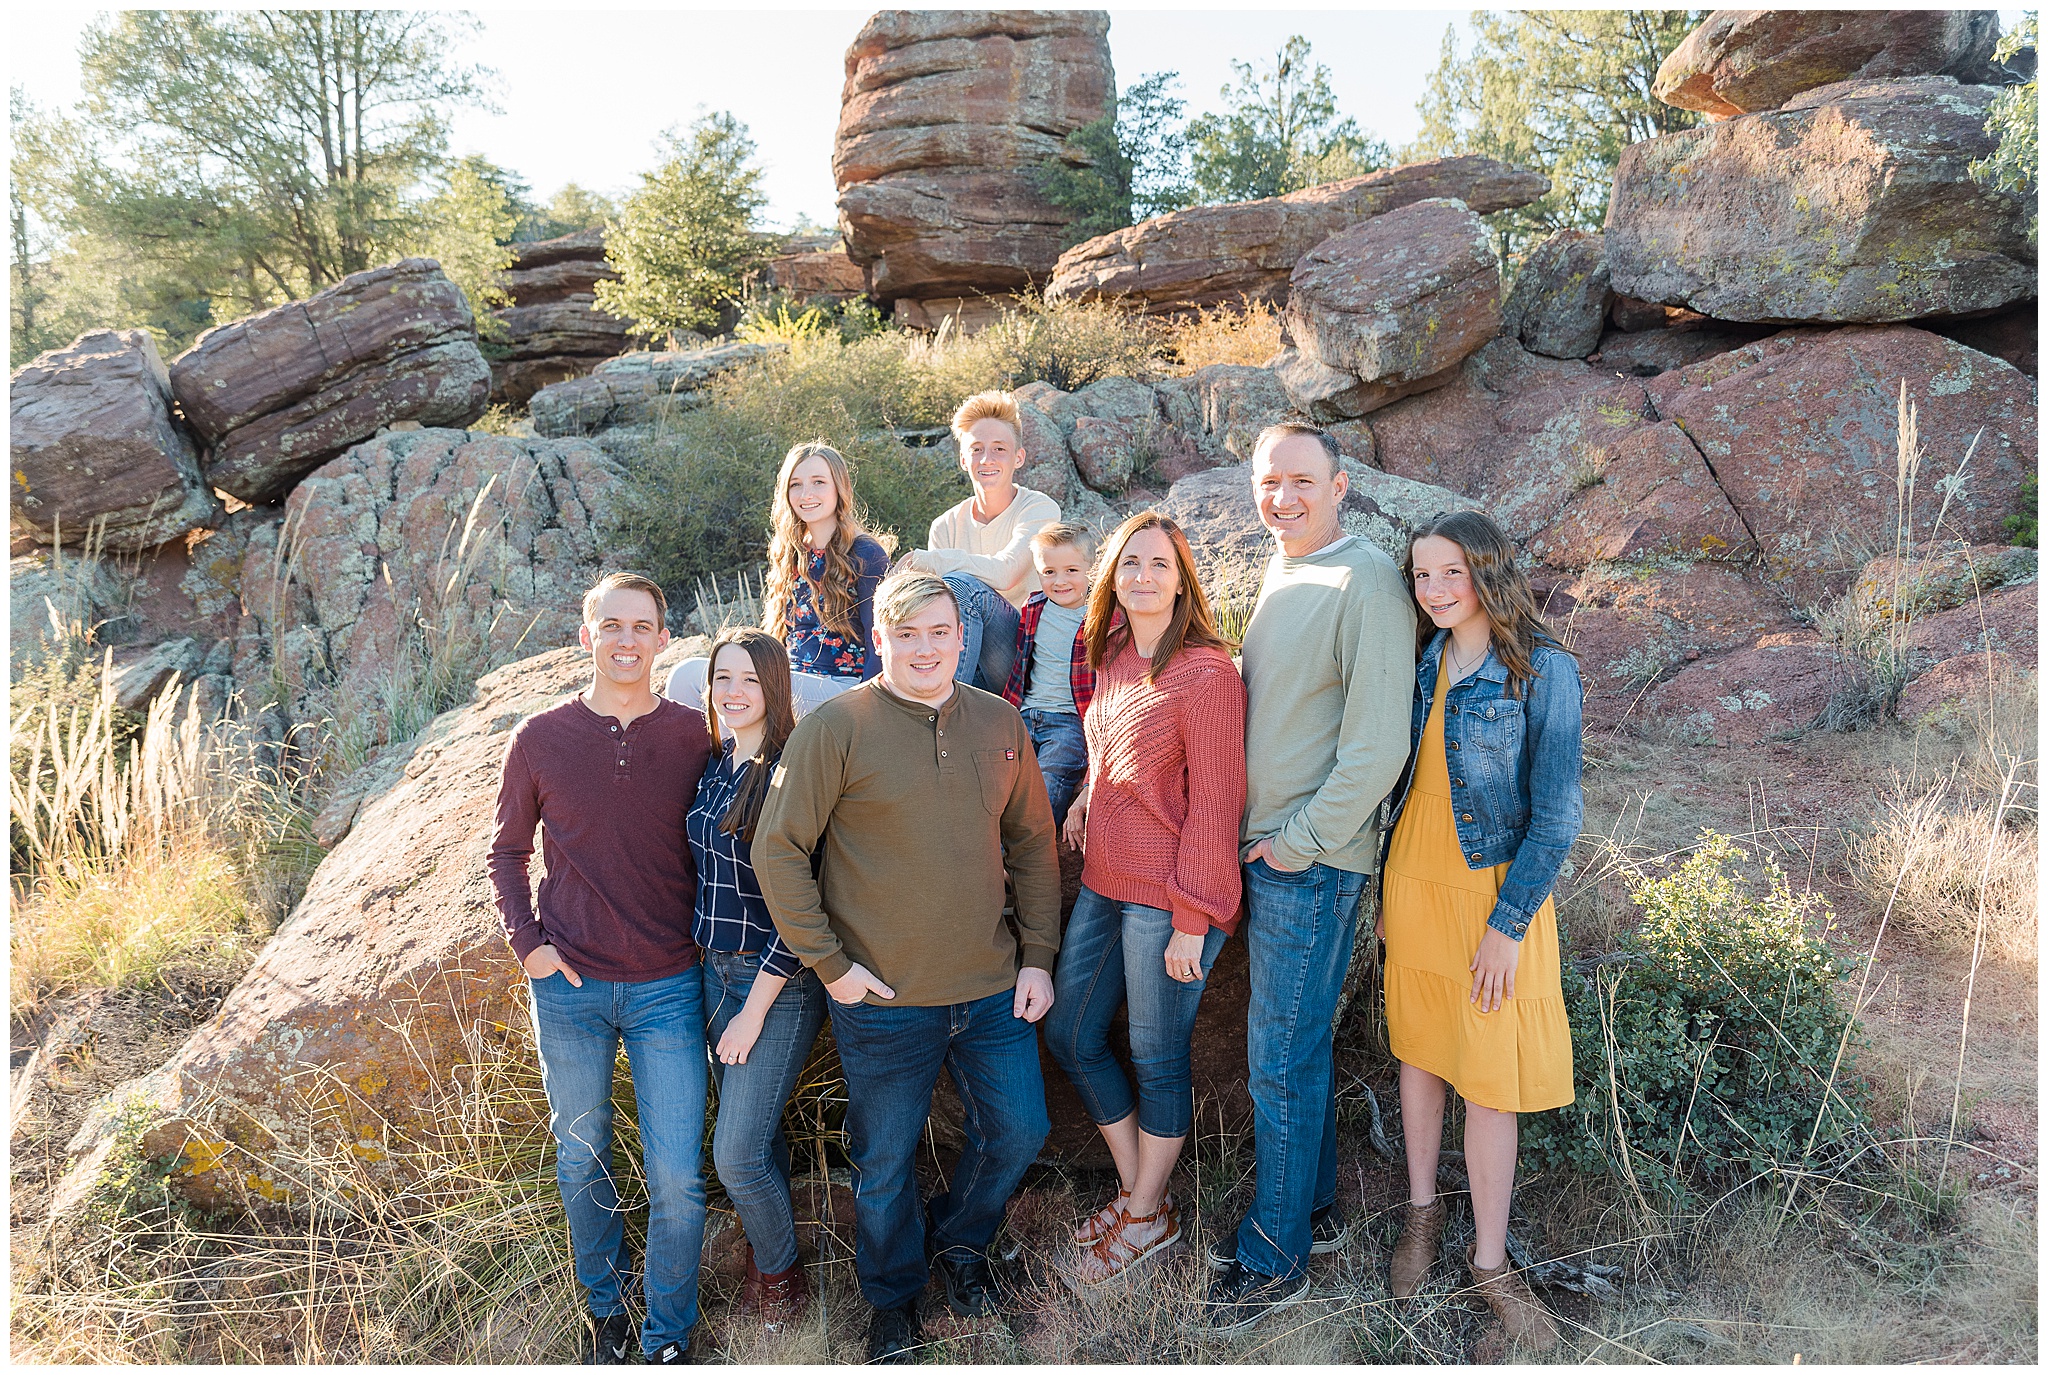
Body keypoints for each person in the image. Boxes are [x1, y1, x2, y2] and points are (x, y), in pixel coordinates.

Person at [752, 571, 1062, 1365]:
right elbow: (778, 848)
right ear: (880, 641)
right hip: (882, 998)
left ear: (964, 637)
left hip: (992, 989)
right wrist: (832, 967)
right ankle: (892, 1299)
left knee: (1021, 1129)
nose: (925, 648)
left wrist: (1037, 957)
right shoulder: (839, 727)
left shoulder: (999, 721)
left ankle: (959, 1245)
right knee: (884, 1161)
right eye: (907, 634)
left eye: (940, 632)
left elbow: (1030, 844)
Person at [1205, 423, 1416, 1333]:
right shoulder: (1289, 570)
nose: (1281, 497)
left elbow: (1378, 744)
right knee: (1295, 1053)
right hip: (1274, 853)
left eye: (1300, 481)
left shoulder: (1364, 578)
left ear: (1340, 485)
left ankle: (1276, 1257)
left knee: (1278, 1063)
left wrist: (1300, 839)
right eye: (1267, 481)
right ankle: (1315, 1214)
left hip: (1312, 863)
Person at [488, 572, 713, 1366]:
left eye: (642, 626)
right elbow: (507, 854)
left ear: (662, 639)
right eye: (611, 624)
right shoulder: (540, 737)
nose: (626, 639)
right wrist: (531, 947)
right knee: (581, 1158)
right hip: (571, 986)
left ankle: (668, 1331)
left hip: (668, 985)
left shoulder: (694, 734)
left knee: (677, 1177)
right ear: (587, 636)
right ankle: (607, 1312)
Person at [1380, 511, 1580, 1351]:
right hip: (1414, 876)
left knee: (1491, 1078)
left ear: (1489, 572)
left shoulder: (1544, 668)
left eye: (1450, 574)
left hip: (1495, 891)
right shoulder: (1425, 656)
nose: (1433, 591)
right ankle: (1423, 1217)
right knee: (1421, 1053)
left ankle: (1490, 1260)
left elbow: (1558, 817)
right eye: (1422, 576)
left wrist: (1507, 925)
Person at [1045, 511, 1247, 1287]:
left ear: (1182, 578)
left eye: (1160, 564)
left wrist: (1193, 917)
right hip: (1103, 875)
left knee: (1157, 1055)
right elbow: (1111, 746)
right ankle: (1143, 1196)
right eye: (1130, 563)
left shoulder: (1206, 673)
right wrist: (1084, 797)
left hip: (1169, 893)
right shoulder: (1115, 654)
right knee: (1070, 1031)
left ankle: (1143, 1214)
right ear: (1113, 578)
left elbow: (1217, 802)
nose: (1144, 576)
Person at [685, 627, 829, 1336]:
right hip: (713, 972)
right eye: (722, 679)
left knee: (735, 1151)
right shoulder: (716, 763)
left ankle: (782, 1280)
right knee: (757, 1138)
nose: (733, 692)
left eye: (748, 679)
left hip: (774, 982)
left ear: (774, 687)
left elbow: (801, 910)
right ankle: (763, 1262)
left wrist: (752, 1011)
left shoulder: (786, 771)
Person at [669, 441, 891, 715]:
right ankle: (731, 754)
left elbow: (881, 640)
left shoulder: (866, 553)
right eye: (795, 484)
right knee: (684, 675)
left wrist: (867, 709)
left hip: (841, 688)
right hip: (789, 678)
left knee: (745, 686)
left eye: (818, 482)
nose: (806, 494)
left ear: (840, 487)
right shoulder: (791, 551)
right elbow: (780, 635)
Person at [899, 391, 1059, 691]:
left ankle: (942, 705)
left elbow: (1006, 574)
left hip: (1023, 658)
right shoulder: (945, 526)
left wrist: (929, 561)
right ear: (963, 459)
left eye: (999, 448)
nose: (987, 459)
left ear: (1018, 457)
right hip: (967, 658)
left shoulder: (1040, 509)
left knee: (962, 586)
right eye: (976, 449)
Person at [999, 522, 1099, 829]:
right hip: (1025, 713)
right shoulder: (1034, 607)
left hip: (1070, 721)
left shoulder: (1102, 615)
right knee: (999, 775)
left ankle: (1026, 854)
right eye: (1049, 572)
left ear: (1091, 568)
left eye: (1071, 570)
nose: (1060, 581)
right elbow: (1022, 665)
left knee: (1048, 779)